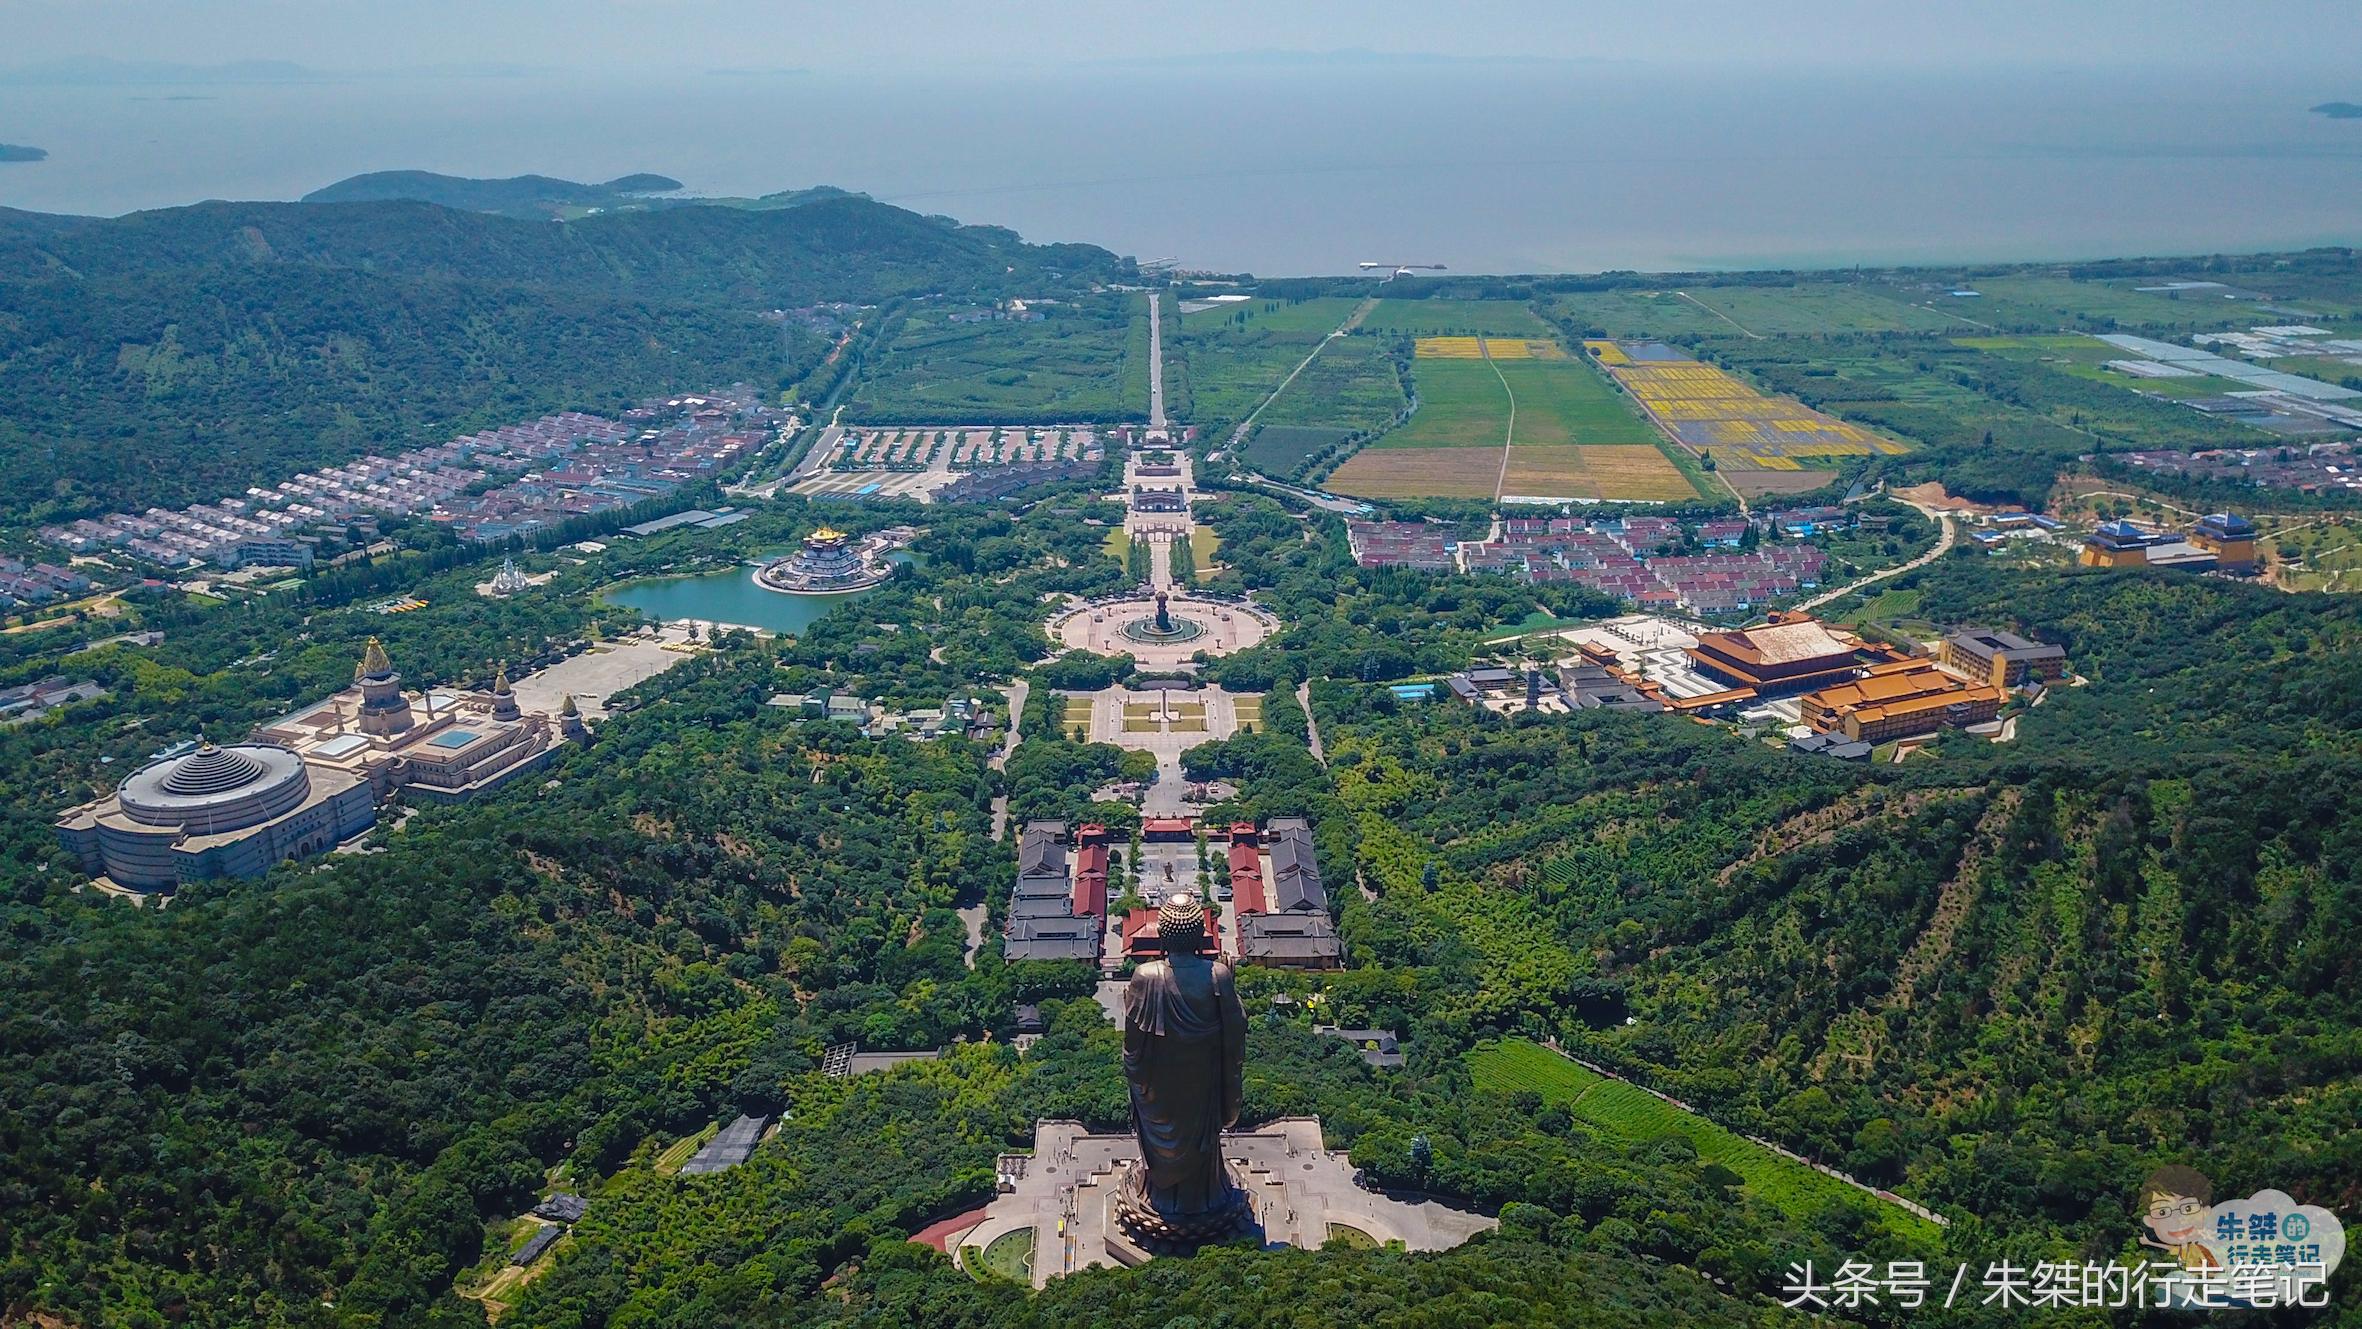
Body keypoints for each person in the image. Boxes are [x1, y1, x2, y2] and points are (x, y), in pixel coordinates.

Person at [1116, 893, 1248, 1241]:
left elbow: (1132, 1051)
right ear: (1198, 934)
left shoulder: (1145, 976)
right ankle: (1205, 1197)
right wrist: (1228, 984)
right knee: (1203, 1151)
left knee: (1167, 1146)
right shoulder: (1217, 975)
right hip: (1203, 1087)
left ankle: (1160, 1196)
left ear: (1163, 934)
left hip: (1160, 1090)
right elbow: (1235, 1035)